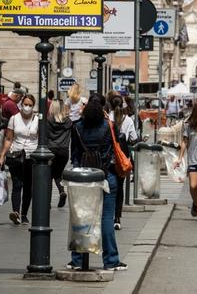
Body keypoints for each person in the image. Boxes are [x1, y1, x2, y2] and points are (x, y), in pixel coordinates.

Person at [68, 93, 127, 271]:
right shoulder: (109, 125)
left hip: (83, 177)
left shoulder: (77, 127)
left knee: (81, 218)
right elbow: (118, 146)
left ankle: (77, 260)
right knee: (107, 219)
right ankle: (111, 260)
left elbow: (75, 155)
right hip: (106, 175)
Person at [0, 94, 39, 225]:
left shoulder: (38, 120)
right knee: (17, 184)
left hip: (31, 156)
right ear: (21, 104)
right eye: (25, 104)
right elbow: (9, 139)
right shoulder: (14, 119)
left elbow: (42, 139)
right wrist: (2, 156)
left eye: (30, 105)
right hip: (15, 155)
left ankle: (24, 214)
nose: (27, 107)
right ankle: (16, 212)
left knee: (28, 186)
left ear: (33, 106)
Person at [107, 92, 138, 230]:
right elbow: (133, 138)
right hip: (123, 158)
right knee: (120, 188)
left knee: (108, 187)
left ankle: (107, 215)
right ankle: (117, 218)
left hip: (109, 157)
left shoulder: (107, 118)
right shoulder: (128, 120)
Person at [47, 100, 72, 208]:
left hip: (51, 150)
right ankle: (62, 191)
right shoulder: (68, 122)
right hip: (64, 151)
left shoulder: (48, 121)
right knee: (58, 174)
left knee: (48, 176)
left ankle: (46, 202)